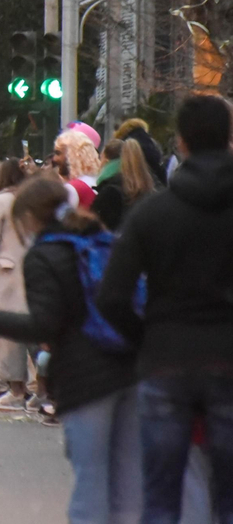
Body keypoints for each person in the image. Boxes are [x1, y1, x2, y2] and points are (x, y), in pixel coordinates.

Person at [98, 94, 233, 524]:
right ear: (229, 138)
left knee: (160, 498)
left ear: (181, 142)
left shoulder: (153, 214)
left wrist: (146, 339)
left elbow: (112, 296)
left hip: (165, 359)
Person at [0, 175, 144, 523]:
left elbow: (44, 325)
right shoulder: (104, 241)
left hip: (84, 377)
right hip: (130, 370)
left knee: (90, 479)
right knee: (128, 480)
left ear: (28, 217)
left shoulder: (44, 255)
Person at [0, 158, 36, 413]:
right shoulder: (33, 198)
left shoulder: (1, 200)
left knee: (10, 332)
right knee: (35, 330)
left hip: (8, 269)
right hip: (34, 266)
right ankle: (41, 388)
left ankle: (15, 390)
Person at [92, 139, 158, 233]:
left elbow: (94, 222)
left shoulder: (109, 189)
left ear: (106, 161)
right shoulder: (150, 186)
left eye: (101, 158)